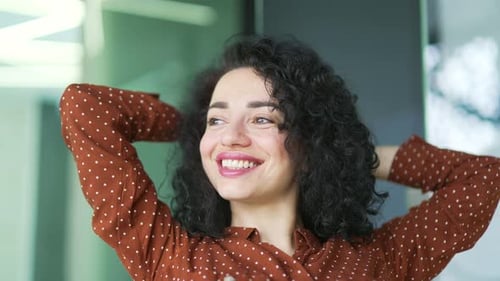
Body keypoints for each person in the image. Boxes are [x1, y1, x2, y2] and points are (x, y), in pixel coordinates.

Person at [60, 36, 499, 281]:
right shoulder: (173, 260)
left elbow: (484, 177)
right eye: (217, 121)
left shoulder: (376, 263)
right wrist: (193, 128)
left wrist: (341, 153)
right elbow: (85, 106)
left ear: (309, 142)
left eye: (263, 120)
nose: (230, 138)